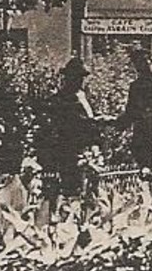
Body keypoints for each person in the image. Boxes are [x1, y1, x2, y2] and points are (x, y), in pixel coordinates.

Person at [40, 56, 111, 200]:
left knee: (91, 188)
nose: (80, 81)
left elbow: (88, 117)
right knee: (73, 188)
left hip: (88, 148)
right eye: (77, 77)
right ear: (68, 78)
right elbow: (73, 123)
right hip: (70, 150)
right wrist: (97, 121)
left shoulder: (82, 95)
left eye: (81, 77)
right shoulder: (62, 98)